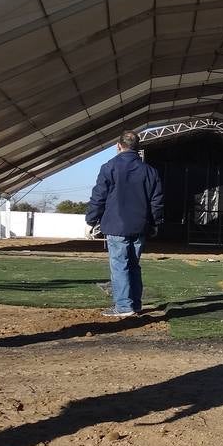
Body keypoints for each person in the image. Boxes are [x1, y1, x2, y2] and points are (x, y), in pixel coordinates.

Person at [85, 131, 164, 317]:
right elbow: (157, 201)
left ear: (118, 146)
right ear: (138, 148)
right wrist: (155, 223)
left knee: (120, 265)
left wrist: (90, 220)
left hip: (116, 225)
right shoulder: (150, 171)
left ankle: (123, 306)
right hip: (140, 226)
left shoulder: (109, 167)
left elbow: (99, 197)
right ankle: (135, 304)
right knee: (133, 265)